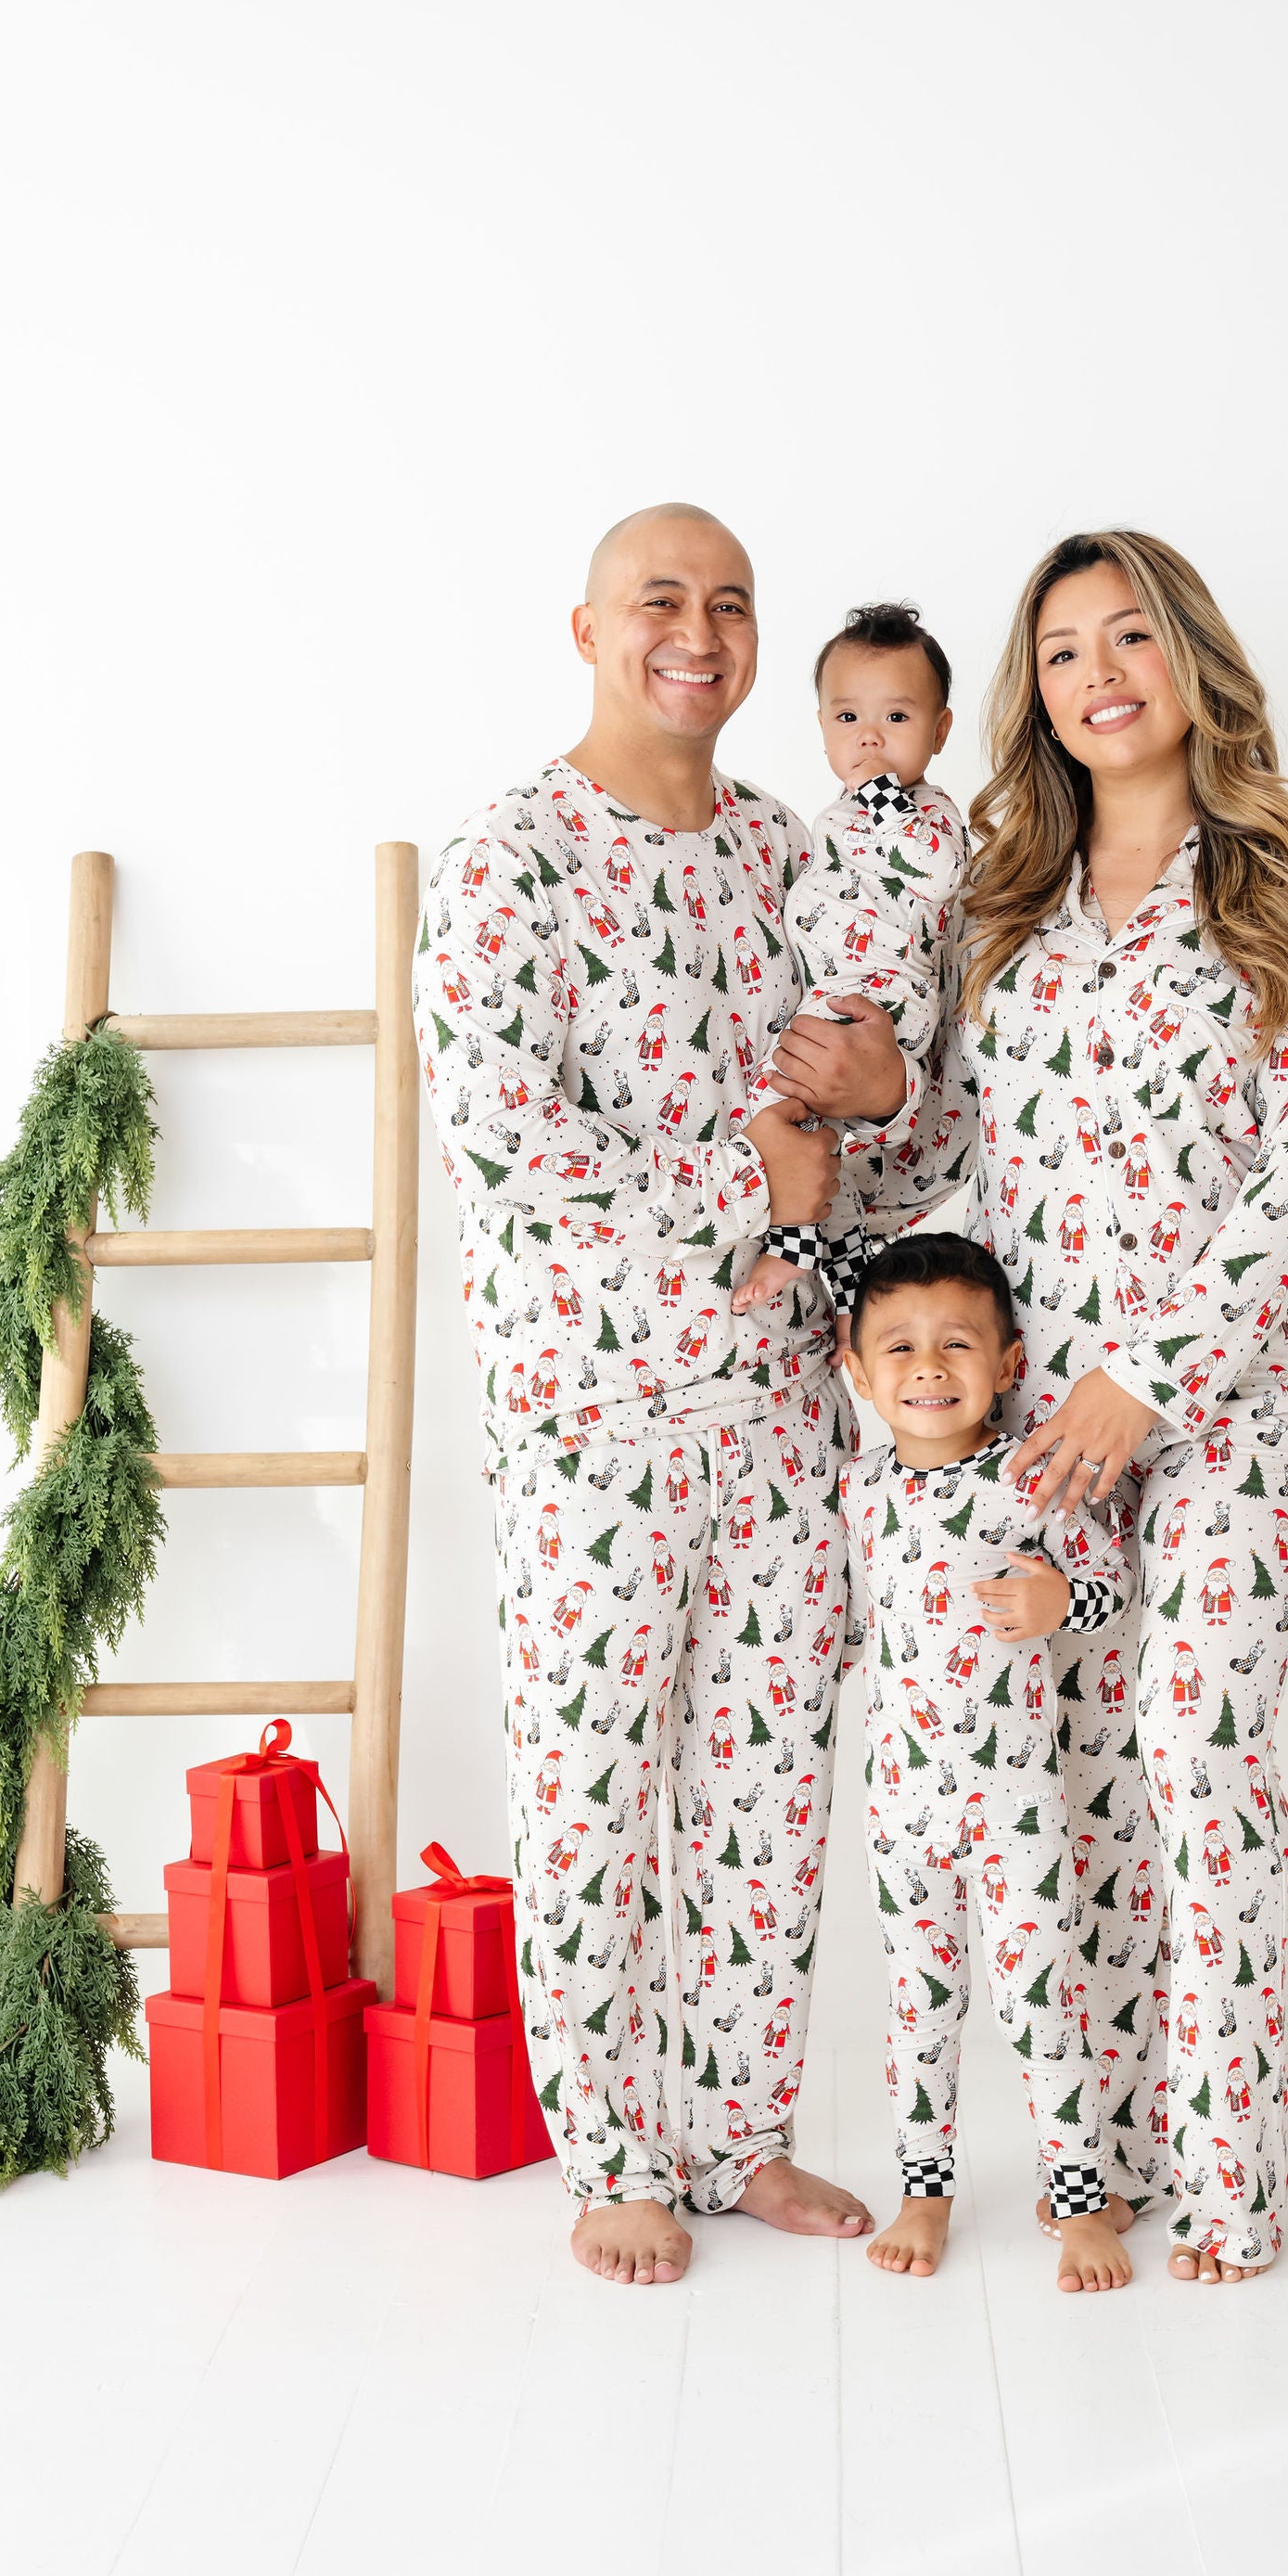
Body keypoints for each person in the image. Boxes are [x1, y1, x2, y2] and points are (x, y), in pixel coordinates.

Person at [414, 502, 918, 2285]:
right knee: (595, 1779)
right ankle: (613, 2152)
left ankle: (740, 2131)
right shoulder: (507, 861)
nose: (694, 633)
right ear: (581, 628)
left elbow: (869, 1137)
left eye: (728, 604)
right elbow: (508, 1146)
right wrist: (747, 1185)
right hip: (592, 1419)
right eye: (657, 601)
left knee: (768, 1773)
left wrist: (883, 1087)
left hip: (786, 1410)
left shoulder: (795, 855)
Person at [954, 529, 1288, 2285]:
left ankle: (1225, 2171)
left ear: (1189, 658)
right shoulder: (1001, 908)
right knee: (1067, 1789)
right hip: (1036, 1421)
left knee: (1199, 1761)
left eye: (1129, 634)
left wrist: (1148, 1375)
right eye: (1061, 650)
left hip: (1228, 1409)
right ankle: (1087, 2159)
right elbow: (962, 1158)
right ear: (1032, 693)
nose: (1097, 671)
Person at [836, 1233, 1135, 2289]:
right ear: (857, 1367)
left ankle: (1082, 2202)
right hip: (901, 1805)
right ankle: (925, 2193)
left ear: (1006, 1363)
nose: (928, 1368)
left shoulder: (1028, 1479)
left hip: (1014, 1807)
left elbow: (1113, 1589)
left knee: (1042, 2001)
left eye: (956, 1344)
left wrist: (1062, 1600)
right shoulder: (857, 1493)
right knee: (918, 2006)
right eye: (901, 1348)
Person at [733, 602, 970, 1315]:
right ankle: (845, 1264)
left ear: (939, 730)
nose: (868, 737)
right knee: (809, 1135)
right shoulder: (832, 815)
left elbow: (937, 870)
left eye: (896, 719)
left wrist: (883, 798)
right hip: (835, 991)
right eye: (847, 719)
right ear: (821, 728)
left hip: (885, 997)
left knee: (780, 1113)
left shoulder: (927, 812)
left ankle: (794, 1243)